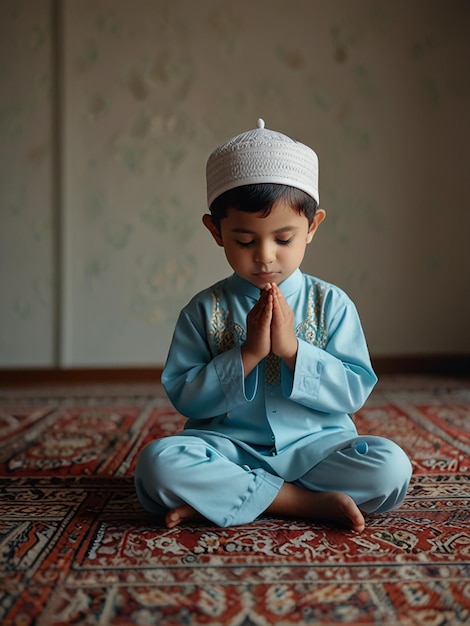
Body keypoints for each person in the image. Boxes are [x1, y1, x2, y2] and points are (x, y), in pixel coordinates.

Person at [134, 118, 412, 533]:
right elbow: (186, 397)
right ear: (216, 231)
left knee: (390, 468)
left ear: (312, 227)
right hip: (227, 450)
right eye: (245, 241)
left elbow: (354, 391)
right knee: (157, 466)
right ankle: (300, 501)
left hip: (319, 450)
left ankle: (230, 497)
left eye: (283, 239)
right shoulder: (203, 309)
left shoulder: (330, 304)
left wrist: (293, 351)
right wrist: (247, 354)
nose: (265, 257)